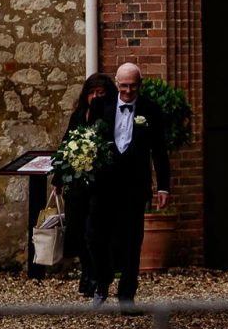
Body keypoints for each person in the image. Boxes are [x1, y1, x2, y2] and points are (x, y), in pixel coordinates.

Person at [86, 62, 170, 307]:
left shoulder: (150, 110)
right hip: (103, 185)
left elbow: (160, 152)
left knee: (132, 240)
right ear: (116, 83)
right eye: (124, 86)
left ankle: (126, 296)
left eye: (133, 86)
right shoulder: (101, 106)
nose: (128, 91)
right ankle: (102, 281)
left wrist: (163, 187)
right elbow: (86, 140)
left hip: (135, 185)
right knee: (94, 236)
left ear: (139, 85)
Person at [57, 71, 113, 298]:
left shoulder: (109, 117)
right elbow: (66, 143)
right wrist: (59, 178)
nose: (95, 97)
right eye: (91, 92)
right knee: (78, 231)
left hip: (100, 185)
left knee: (93, 232)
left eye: (100, 93)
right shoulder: (79, 115)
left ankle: (98, 275)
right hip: (78, 185)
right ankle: (87, 272)